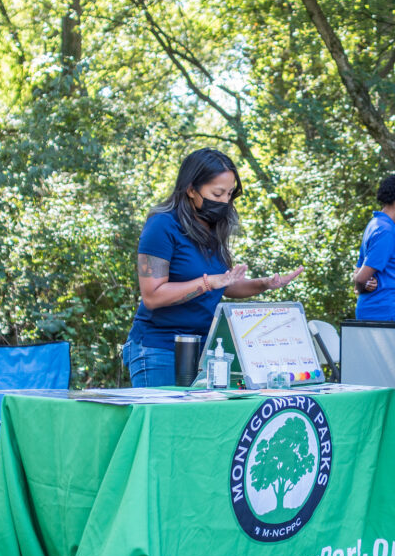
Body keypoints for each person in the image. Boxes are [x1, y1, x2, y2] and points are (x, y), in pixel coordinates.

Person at [122, 148, 303, 387]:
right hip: (159, 349)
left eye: (229, 194)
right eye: (217, 194)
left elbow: (224, 285)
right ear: (190, 188)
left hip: (205, 350)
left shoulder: (213, 227)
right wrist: (208, 283)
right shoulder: (162, 225)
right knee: (163, 424)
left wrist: (264, 284)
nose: (225, 202)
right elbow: (152, 296)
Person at [353, 173, 395, 321]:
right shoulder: (385, 231)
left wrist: (361, 281)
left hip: (388, 314)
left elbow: (358, 270)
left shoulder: (377, 225)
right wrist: (362, 285)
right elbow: (361, 278)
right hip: (383, 315)